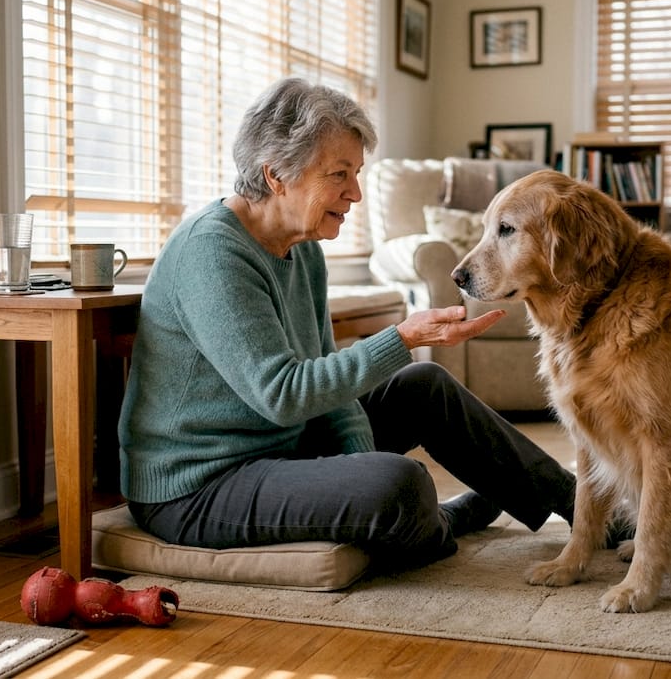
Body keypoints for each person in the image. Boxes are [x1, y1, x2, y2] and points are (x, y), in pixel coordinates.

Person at [117, 77, 587, 572]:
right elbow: (283, 395)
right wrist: (403, 338)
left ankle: (586, 511)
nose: (356, 193)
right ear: (276, 175)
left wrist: (355, 466)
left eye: (356, 173)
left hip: (283, 448)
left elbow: (332, 389)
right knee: (400, 485)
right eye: (339, 174)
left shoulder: (303, 250)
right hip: (200, 485)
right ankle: (441, 523)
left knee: (424, 386)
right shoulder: (212, 252)